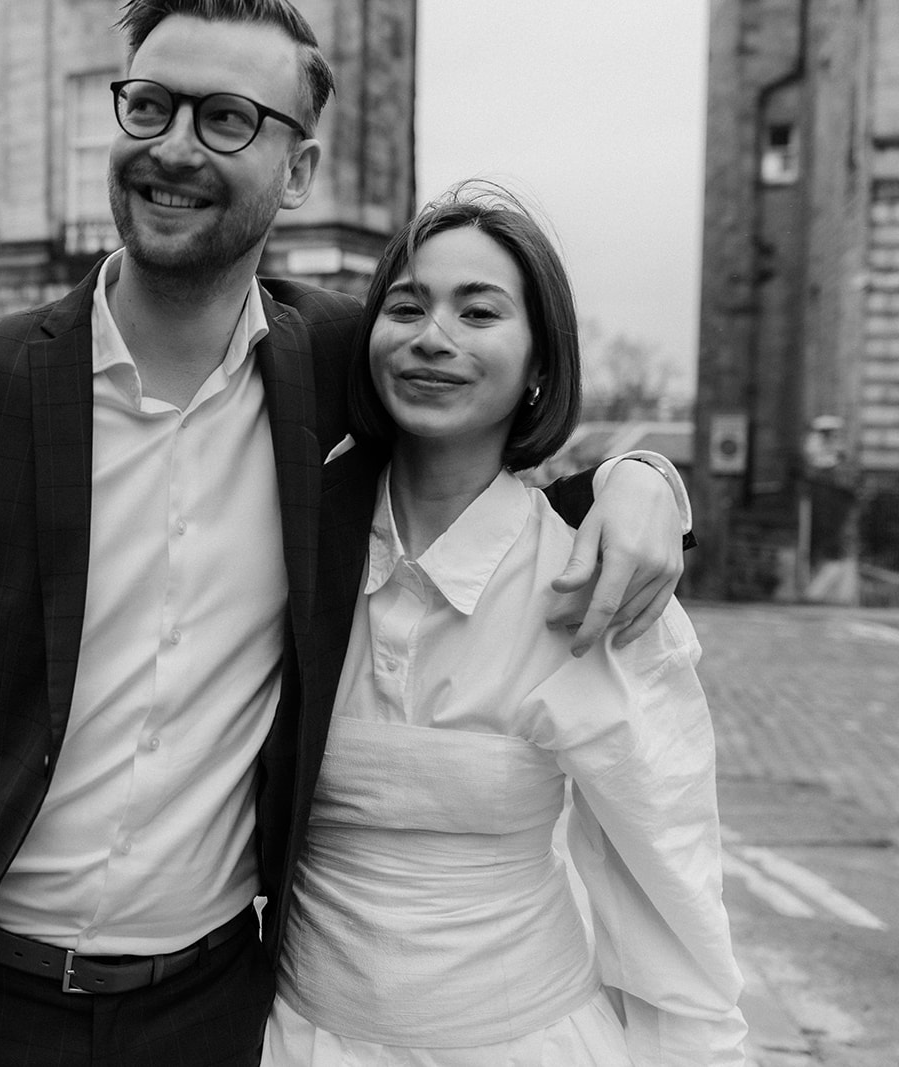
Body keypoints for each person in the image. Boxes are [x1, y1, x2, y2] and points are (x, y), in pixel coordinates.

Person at [0, 2, 690, 1064]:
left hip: (211, 1010)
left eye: (227, 117)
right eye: (148, 105)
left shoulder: (341, 366)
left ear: (299, 167)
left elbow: (483, 437)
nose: (173, 146)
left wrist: (644, 483)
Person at [259, 186, 747, 1065]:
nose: (433, 336)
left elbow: (669, 870)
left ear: (538, 365)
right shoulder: (292, 542)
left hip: (523, 1041)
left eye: (478, 310)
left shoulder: (595, 578)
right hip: (295, 1039)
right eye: (406, 306)